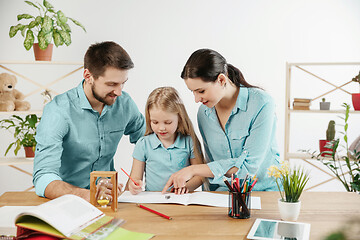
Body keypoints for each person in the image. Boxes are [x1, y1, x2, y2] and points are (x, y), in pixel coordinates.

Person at [33, 41, 146, 201]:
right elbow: (43, 178)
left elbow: (147, 140)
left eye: (123, 84)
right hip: (66, 202)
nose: (119, 92)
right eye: (112, 84)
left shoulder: (124, 104)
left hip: (108, 201)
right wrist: (86, 195)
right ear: (88, 76)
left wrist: (132, 182)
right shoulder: (58, 111)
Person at [162, 49, 280, 193]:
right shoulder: (204, 113)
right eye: (192, 92)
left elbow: (247, 168)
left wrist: (193, 170)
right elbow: (211, 163)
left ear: (222, 80)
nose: (196, 99)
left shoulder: (262, 103)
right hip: (222, 194)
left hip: (263, 193)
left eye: (201, 91)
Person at [126, 87, 206, 195]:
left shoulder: (189, 142)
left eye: (168, 122)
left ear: (179, 118)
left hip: (181, 200)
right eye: (155, 122)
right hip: (153, 201)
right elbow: (135, 178)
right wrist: (134, 186)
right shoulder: (143, 144)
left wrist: (185, 187)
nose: (161, 128)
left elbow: (200, 176)